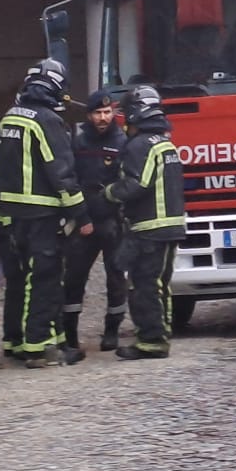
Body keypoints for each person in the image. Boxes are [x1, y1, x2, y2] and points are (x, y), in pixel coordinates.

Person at [0, 59, 86, 367]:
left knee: (22, 279)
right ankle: (37, 347)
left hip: (12, 215)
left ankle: (24, 340)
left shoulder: (9, 117)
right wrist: (80, 214)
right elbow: (61, 171)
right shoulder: (46, 120)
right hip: (42, 213)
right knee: (43, 279)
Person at [107, 84, 185, 362]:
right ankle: (159, 336)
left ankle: (151, 341)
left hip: (150, 229)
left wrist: (108, 192)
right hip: (169, 227)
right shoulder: (165, 143)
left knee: (145, 286)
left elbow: (137, 184)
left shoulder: (140, 145)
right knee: (160, 285)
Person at [71, 90, 131, 353]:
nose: (103, 117)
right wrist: (79, 216)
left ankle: (112, 330)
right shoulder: (79, 141)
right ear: (89, 115)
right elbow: (71, 178)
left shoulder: (123, 142)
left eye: (107, 112)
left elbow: (128, 182)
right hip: (84, 220)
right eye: (98, 113)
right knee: (74, 276)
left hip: (112, 221)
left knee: (116, 277)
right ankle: (70, 332)